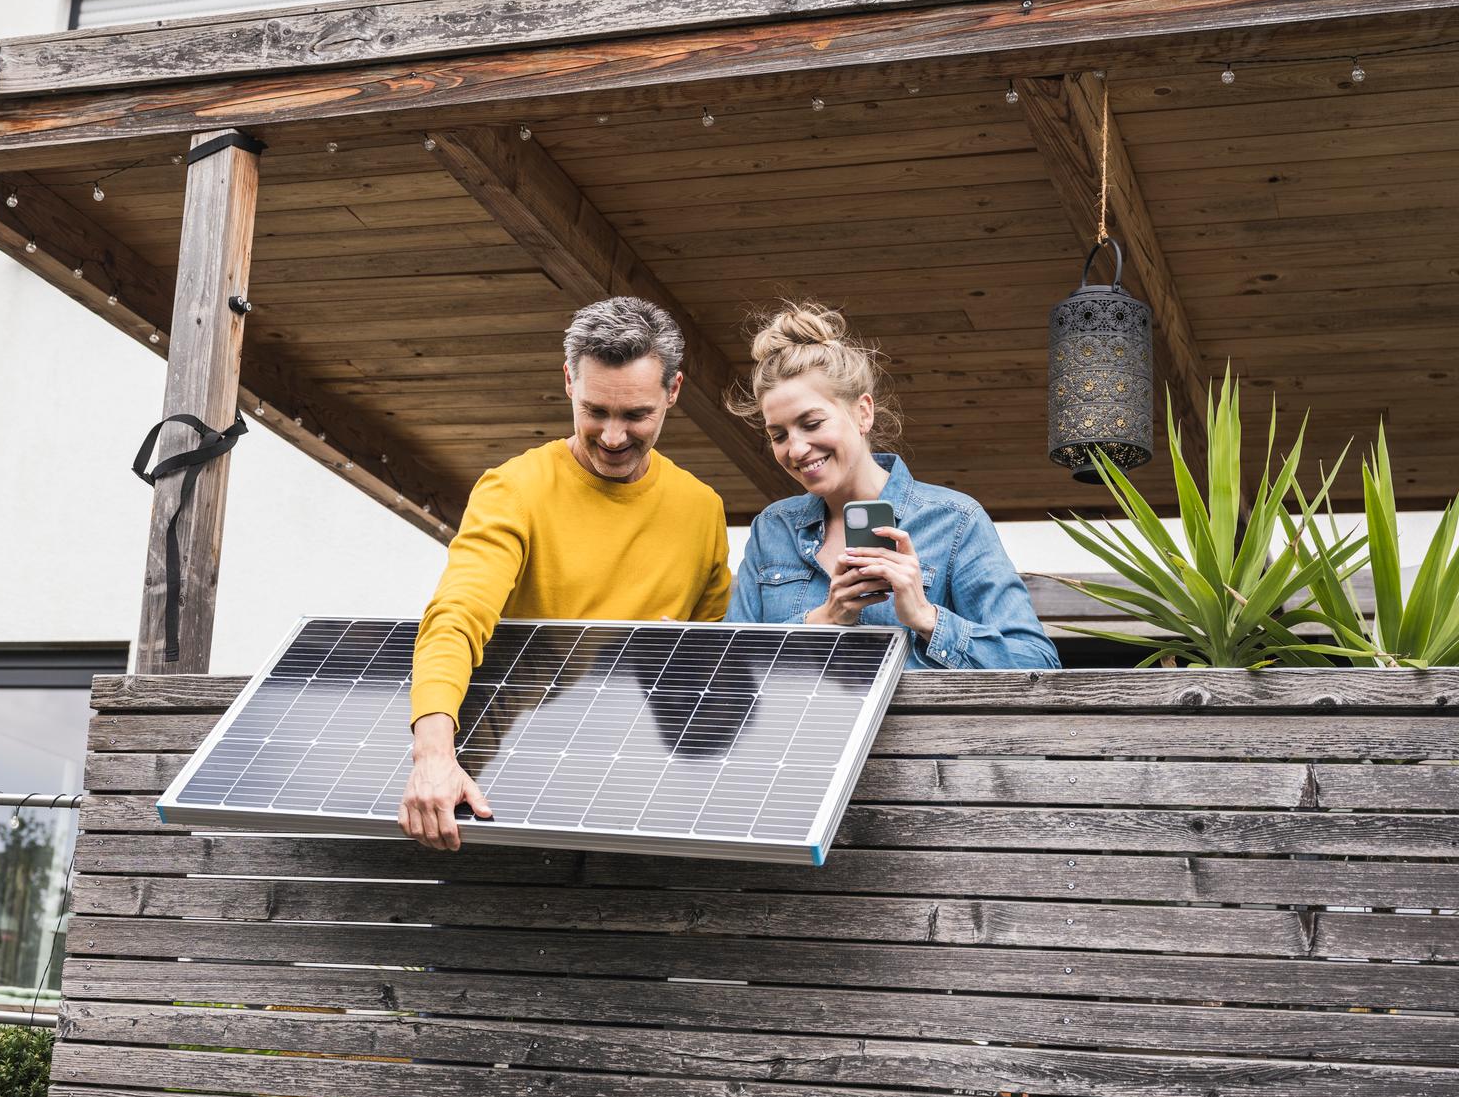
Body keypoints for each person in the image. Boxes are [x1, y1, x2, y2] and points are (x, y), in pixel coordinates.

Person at [400, 296, 732, 850]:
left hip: (639, 787)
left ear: (673, 392)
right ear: (569, 382)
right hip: (505, 778)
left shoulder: (701, 510)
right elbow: (456, 616)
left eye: (636, 415)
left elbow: (709, 655)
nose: (612, 436)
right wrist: (434, 754)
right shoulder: (513, 490)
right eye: (595, 410)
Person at [726, 303, 1058, 670]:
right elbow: (732, 667)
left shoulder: (955, 521)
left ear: (862, 413)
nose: (797, 448)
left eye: (813, 423)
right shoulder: (773, 528)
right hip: (798, 729)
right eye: (779, 435)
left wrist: (926, 617)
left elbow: (1037, 666)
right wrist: (823, 620)